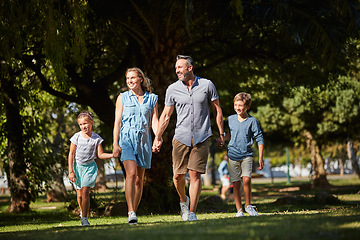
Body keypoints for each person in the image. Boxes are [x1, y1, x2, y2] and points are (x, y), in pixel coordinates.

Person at [153, 55, 224, 221]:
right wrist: (158, 137)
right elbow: (165, 115)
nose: (177, 70)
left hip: (202, 136)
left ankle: (192, 212)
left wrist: (221, 134)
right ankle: (183, 202)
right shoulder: (172, 89)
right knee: (177, 176)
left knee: (195, 175)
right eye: (176, 68)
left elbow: (217, 110)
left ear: (190, 68)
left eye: (180, 67)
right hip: (181, 137)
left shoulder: (207, 85)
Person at [113, 67, 159, 225]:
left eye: (133, 78)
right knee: (131, 174)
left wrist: (158, 137)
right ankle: (130, 211)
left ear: (141, 79)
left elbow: (154, 121)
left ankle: (134, 212)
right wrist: (115, 143)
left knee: (139, 180)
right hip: (126, 139)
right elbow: (117, 122)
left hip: (144, 140)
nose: (130, 81)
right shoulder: (122, 98)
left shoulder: (152, 98)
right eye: (127, 78)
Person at [217, 92, 264, 217]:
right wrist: (222, 139)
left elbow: (260, 139)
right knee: (236, 183)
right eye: (236, 105)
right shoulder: (231, 119)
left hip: (247, 155)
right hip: (232, 155)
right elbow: (230, 134)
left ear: (247, 106)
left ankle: (248, 205)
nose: (238, 108)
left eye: (241, 105)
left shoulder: (252, 121)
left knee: (247, 179)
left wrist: (260, 157)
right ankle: (239, 210)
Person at [68, 111, 114, 226]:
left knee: (85, 192)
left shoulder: (96, 138)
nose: (83, 126)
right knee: (79, 195)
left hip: (89, 168)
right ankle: (82, 212)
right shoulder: (76, 137)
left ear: (91, 123)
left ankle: (84, 218)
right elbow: (71, 154)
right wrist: (71, 171)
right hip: (77, 168)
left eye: (85, 123)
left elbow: (100, 155)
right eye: (81, 124)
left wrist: (113, 154)